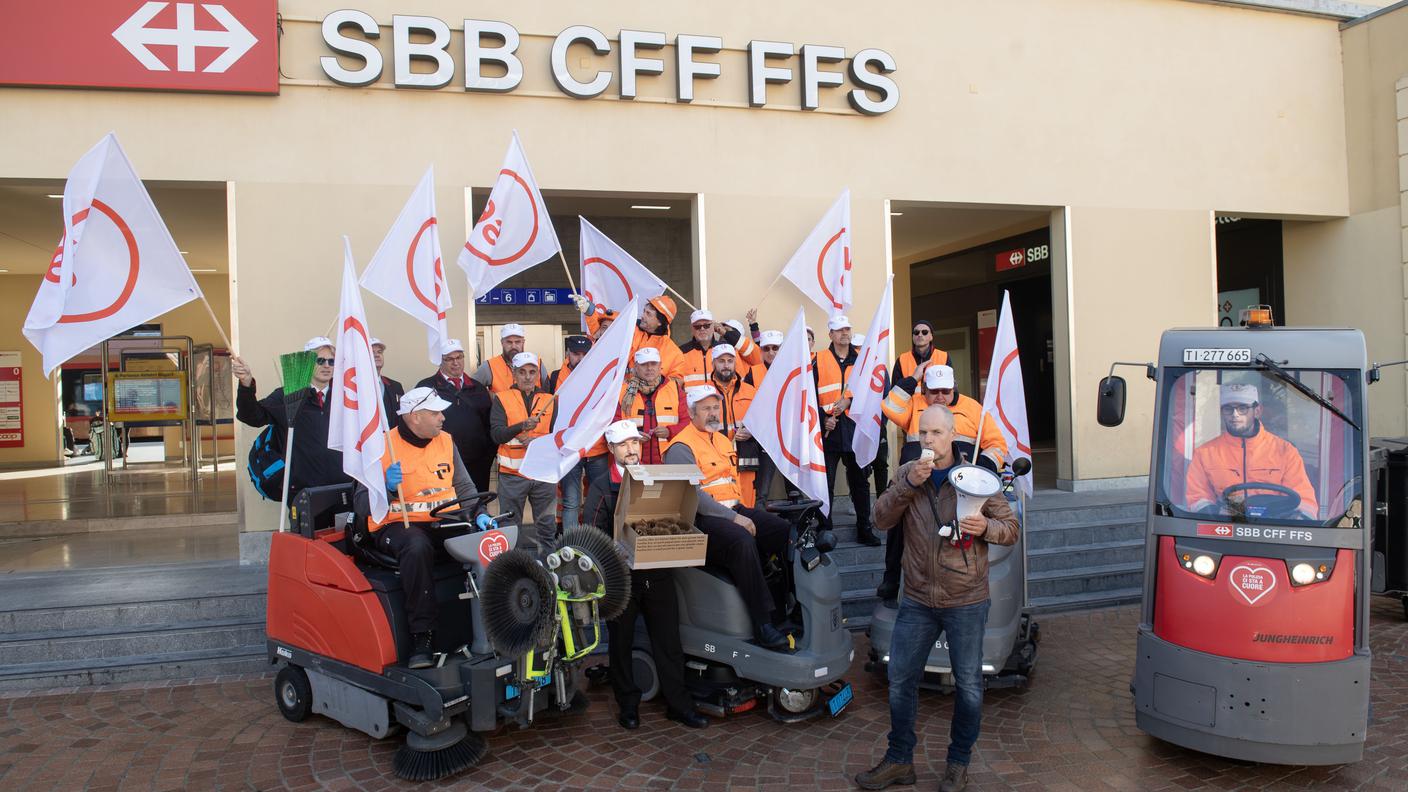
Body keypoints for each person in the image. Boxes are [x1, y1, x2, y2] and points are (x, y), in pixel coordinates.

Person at [857, 405, 1019, 792]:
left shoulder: (977, 478)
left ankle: (957, 763)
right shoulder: (906, 474)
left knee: (968, 686)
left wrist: (986, 528)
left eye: (935, 433)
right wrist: (908, 484)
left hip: (965, 599)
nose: (927, 440)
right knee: (899, 680)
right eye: (922, 433)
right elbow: (880, 519)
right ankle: (899, 761)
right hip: (916, 599)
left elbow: (1010, 528)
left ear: (952, 435)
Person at [582, 420, 709, 731]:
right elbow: (590, 533)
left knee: (668, 642)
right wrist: (613, 549)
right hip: (621, 581)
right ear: (611, 449)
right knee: (621, 644)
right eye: (624, 444)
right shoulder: (601, 485)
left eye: (635, 443)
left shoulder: (655, 476)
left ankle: (678, 705)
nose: (632, 449)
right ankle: (628, 706)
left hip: (658, 572)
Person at [364, 386, 493, 669]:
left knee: (489, 539)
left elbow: (463, 486)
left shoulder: (446, 441)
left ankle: (493, 624)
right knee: (416, 545)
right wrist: (384, 488)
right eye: (435, 413)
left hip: (441, 523)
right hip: (395, 527)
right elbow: (364, 501)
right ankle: (422, 637)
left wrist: (479, 513)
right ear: (414, 417)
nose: (442, 418)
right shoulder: (383, 446)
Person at [664, 386, 791, 650]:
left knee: (782, 529)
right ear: (691, 413)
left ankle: (787, 605)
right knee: (742, 540)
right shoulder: (680, 447)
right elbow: (694, 498)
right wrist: (735, 519)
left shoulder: (722, 439)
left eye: (715, 407)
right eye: (705, 408)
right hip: (701, 521)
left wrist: (742, 514)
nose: (712, 413)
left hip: (733, 509)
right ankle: (762, 623)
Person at [878, 364, 1007, 603]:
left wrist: (982, 473)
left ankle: (964, 591)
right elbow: (888, 406)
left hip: (962, 484)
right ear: (924, 390)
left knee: (961, 535)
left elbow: (997, 444)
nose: (940, 397)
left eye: (945, 391)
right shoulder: (915, 404)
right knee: (898, 527)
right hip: (915, 481)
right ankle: (892, 577)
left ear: (954, 388)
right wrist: (912, 379)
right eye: (934, 391)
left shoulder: (973, 408)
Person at [233, 336, 351, 498]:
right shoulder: (288, 395)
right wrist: (246, 384)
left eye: (332, 362)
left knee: (347, 525)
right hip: (303, 491)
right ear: (307, 362)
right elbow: (252, 416)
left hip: (344, 486)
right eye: (320, 360)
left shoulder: (346, 397)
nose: (326, 366)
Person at [1186, 383, 1318, 518]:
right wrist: (1216, 514)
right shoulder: (1204, 453)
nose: (1235, 414)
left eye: (1242, 408)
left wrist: (1297, 519)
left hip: (1276, 528)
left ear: (1257, 411)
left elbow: (1304, 499)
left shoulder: (1286, 451)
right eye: (1228, 409)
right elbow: (1197, 497)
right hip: (1225, 528)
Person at [814, 315, 879, 546]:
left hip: (855, 430)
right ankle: (825, 530)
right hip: (829, 433)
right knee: (825, 484)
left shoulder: (862, 360)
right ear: (830, 334)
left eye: (847, 329)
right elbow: (809, 397)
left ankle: (865, 529)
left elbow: (872, 392)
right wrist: (823, 421)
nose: (844, 333)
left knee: (860, 483)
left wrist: (849, 402)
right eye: (839, 330)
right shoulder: (817, 360)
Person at [490, 352, 558, 552]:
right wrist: (521, 426)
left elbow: (558, 436)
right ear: (514, 374)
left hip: (543, 474)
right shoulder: (501, 399)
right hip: (513, 475)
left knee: (547, 527)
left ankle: (549, 568)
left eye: (532, 371)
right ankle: (511, 570)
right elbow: (496, 435)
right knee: (510, 528)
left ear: (538, 374)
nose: (528, 377)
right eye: (522, 372)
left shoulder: (550, 399)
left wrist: (535, 441)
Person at [416, 339, 495, 492]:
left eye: (459, 357)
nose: (455, 362)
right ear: (440, 362)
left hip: (477, 464)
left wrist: (488, 456)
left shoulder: (478, 388)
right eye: (449, 359)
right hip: (439, 463)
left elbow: (489, 425)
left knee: (476, 507)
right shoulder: (426, 388)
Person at [549, 335, 609, 533]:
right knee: (571, 502)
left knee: (597, 501)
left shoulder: (602, 375)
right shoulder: (555, 376)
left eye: (585, 354)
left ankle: (595, 542)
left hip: (596, 448)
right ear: (568, 353)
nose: (581, 359)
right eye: (576, 354)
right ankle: (571, 545)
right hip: (570, 449)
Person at [578, 294, 687, 380]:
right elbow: (604, 333)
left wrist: (655, 384)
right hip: (620, 397)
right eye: (644, 311)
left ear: (660, 322)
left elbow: (677, 382)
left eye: (648, 314)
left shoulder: (674, 353)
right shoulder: (629, 329)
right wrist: (590, 312)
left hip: (651, 405)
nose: (643, 316)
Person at [709, 344, 761, 507]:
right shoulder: (704, 392)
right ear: (713, 364)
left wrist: (752, 432)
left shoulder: (750, 390)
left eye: (730, 361)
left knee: (747, 504)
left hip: (746, 456)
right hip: (717, 458)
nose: (726, 365)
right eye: (721, 361)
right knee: (724, 504)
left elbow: (762, 422)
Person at [617, 347, 686, 464]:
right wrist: (632, 436)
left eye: (653, 364)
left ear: (660, 366)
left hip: (668, 462)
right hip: (632, 463)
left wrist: (670, 431)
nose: (649, 368)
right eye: (644, 364)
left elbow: (688, 422)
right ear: (636, 367)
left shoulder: (674, 388)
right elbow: (614, 424)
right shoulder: (621, 392)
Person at [746, 329, 784, 503]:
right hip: (764, 436)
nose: (771, 352)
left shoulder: (792, 371)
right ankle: (760, 521)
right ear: (760, 351)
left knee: (794, 485)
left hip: (787, 434)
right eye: (766, 348)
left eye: (775, 348)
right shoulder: (752, 373)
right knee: (763, 487)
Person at [679, 310, 761, 388]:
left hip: (722, 402)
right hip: (691, 402)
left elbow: (758, 357)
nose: (702, 329)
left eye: (707, 325)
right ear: (692, 329)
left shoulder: (727, 351)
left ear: (713, 327)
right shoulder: (680, 353)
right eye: (697, 326)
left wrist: (726, 333)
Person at [472, 323, 541, 393]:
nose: (513, 346)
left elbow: (547, 393)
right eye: (509, 342)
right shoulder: (489, 366)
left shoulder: (538, 364)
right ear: (502, 342)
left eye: (517, 342)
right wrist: (489, 398)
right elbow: (471, 391)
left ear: (523, 342)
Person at [892, 319, 948, 385]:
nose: (920, 335)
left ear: (931, 336)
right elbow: (895, 390)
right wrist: (913, 380)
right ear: (913, 337)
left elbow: (950, 388)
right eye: (916, 332)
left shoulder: (944, 357)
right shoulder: (902, 359)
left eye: (924, 332)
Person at [370, 337, 405, 430]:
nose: (377, 355)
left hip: (391, 441)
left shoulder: (396, 386)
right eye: (371, 352)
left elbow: (402, 418)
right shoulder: (354, 387)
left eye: (379, 352)